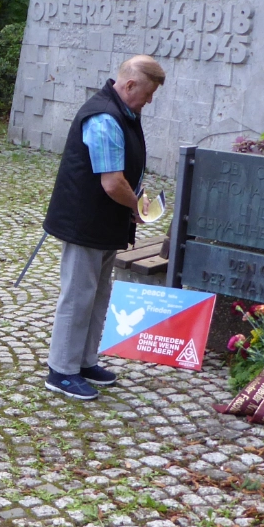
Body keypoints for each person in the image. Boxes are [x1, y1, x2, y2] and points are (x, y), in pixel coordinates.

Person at [41, 56, 165, 399]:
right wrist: (138, 207)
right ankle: (61, 370)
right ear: (129, 86)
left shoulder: (123, 112)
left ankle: (84, 361)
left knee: (98, 294)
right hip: (85, 221)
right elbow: (112, 182)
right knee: (79, 295)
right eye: (149, 93)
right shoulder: (104, 117)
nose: (150, 101)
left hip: (104, 221)